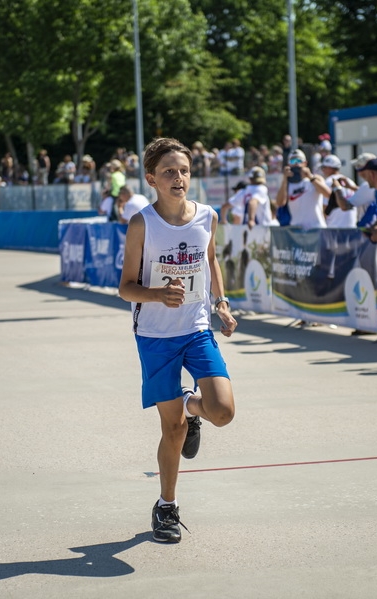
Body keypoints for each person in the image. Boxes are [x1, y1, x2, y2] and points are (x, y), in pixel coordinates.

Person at [118, 137, 237, 544]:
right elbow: (125, 288)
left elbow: (210, 259)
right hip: (155, 336)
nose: (179, 177)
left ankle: (194, 407)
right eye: (169, 171)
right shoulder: (142, 224)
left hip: (197, 327)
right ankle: (166, 506)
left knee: (222, 410)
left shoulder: (207, 216)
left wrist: (221, 303)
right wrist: (156, 295)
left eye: (184, 170)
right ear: (151, 178)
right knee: (173, 430)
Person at [275, 149, 329, 230]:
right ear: (289, 164)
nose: (296, 164)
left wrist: (310, 177)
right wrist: (285, 179)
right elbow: (280, 203)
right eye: (293, 161)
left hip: (316, 227)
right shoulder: (287, 183)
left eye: (299, 160)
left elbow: (328, 194)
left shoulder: (315, 179)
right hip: (297, 228)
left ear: (305, 163)